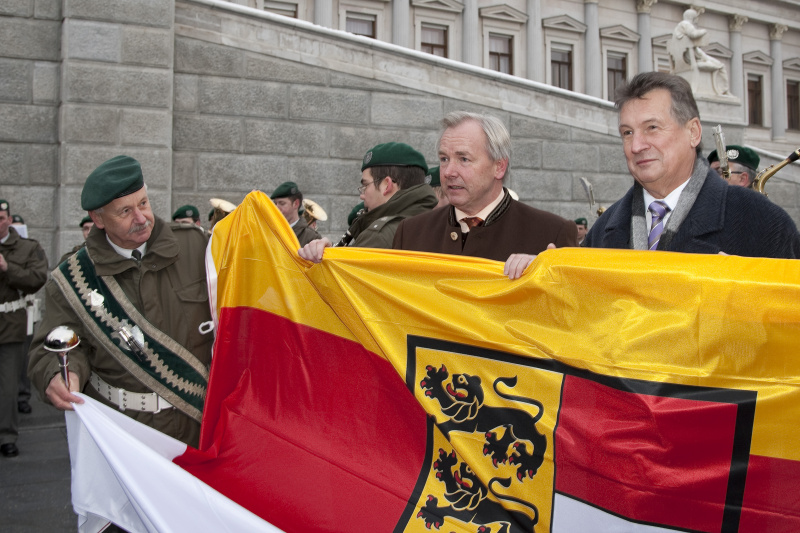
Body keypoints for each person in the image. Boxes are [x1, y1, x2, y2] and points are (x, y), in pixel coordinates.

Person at [28, 155, 214, 447]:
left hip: (198, 425)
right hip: (123, 433)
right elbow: (50, 348)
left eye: (143, 203)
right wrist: (59, 373)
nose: (141, 218)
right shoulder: (74, 277)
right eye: (125, 211)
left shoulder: (198, 246)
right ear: (98, 219)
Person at [583, 72, 800, 258]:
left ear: (693, 132)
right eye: (627, 132)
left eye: (652, 127)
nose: (636, 146)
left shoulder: (761, 220)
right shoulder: (602, 231)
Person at [391, 111, 577, 279]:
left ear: (499, 167)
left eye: (464, 159)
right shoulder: (411, 233)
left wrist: (544, 275)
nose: (448, 172)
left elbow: (573, 302)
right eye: (444, 159)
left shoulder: (551, 234)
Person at [299, 142, 437, 257]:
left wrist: (323, 259)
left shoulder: (379, 236)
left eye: (365, 185)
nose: (362, 195)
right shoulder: (438, 223)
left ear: (386, 185)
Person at [0, 200, 48, 456]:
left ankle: (6, 435)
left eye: (1, 218)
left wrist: (7, 268)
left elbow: (37, 278)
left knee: (7, 385)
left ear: (9, 220)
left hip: (9, 325)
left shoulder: (27, 247)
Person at [271, 182, 321, 246]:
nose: (276, 208)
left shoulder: (312, 237)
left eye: (282, 203)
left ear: (296, 204)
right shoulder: (270, 231)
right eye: (275, 204)